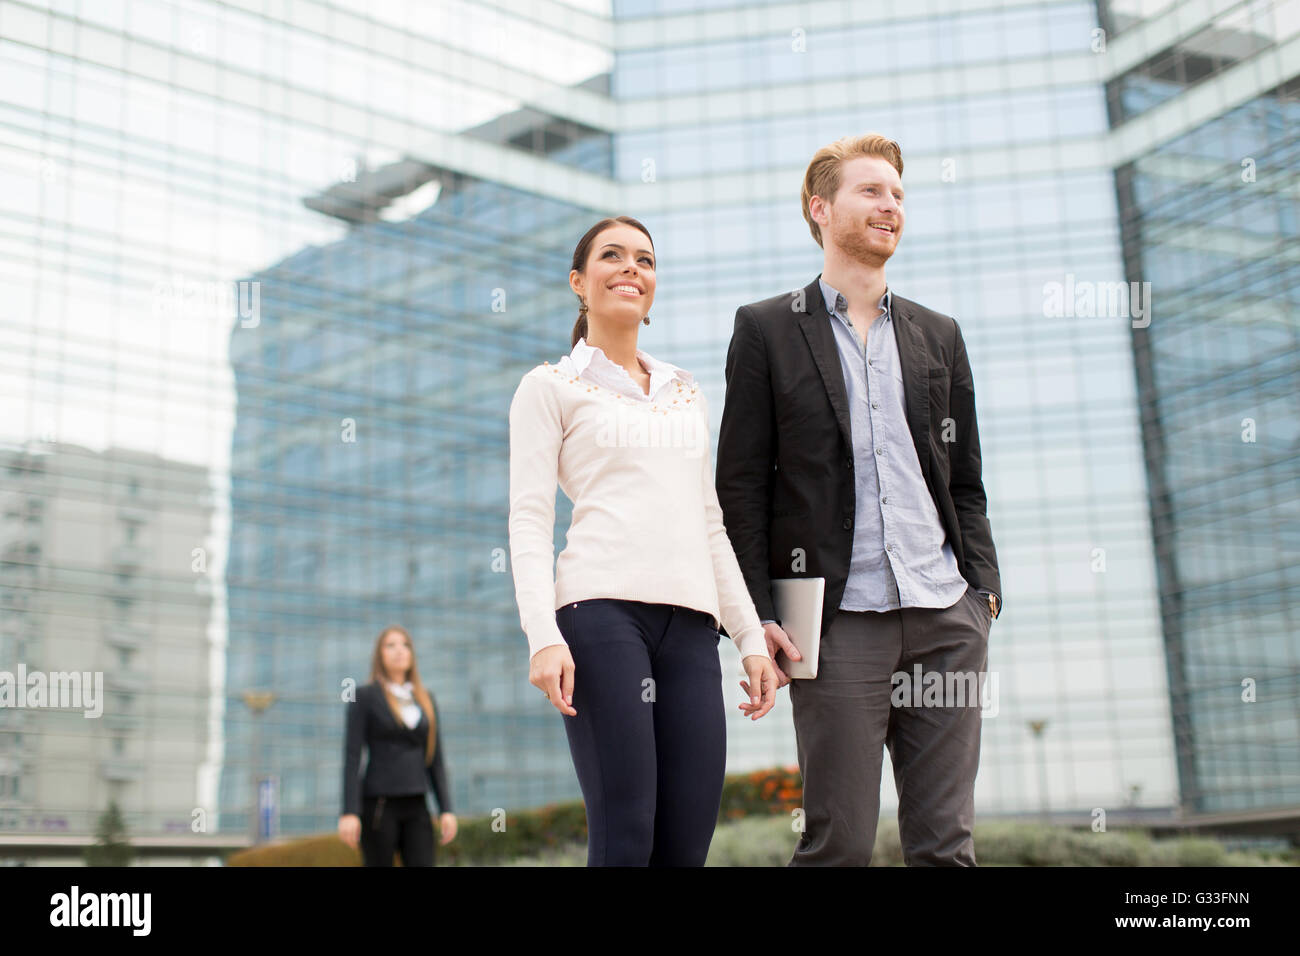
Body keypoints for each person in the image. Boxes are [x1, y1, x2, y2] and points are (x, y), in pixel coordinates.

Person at [715, 133, 1002, 866]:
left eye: (899, 195)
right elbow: (740, 486)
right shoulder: (768, 328)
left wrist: (983, 593)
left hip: (946, 618)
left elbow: (963, 478)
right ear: (821, 209)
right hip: (837, 624)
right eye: (872, 191)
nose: (891, 206)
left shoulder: (939, 334)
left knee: (946, 846)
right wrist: (758, 618)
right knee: (836, 843)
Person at [507, 215, 780, 866]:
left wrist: (749, 639)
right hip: (600, 618)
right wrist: (542, 635)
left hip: (691, 629)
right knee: (626, 834)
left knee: (685, 845)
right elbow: (527, 518)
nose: (632, 267)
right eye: (613, 256)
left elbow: (708, 520)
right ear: (580, 281)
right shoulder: (550, 387)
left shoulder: (685, 391)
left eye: (645, 259)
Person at [339, 625, 457, 866]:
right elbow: (352, 756)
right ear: (379, 654)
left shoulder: (425, 698)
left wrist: (446, 808)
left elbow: (435, 758)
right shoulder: (364, 697)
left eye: (405, 645)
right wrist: (349, 811)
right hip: (380, 806)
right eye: (390, 645)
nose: (399, 650)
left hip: (417, 803)